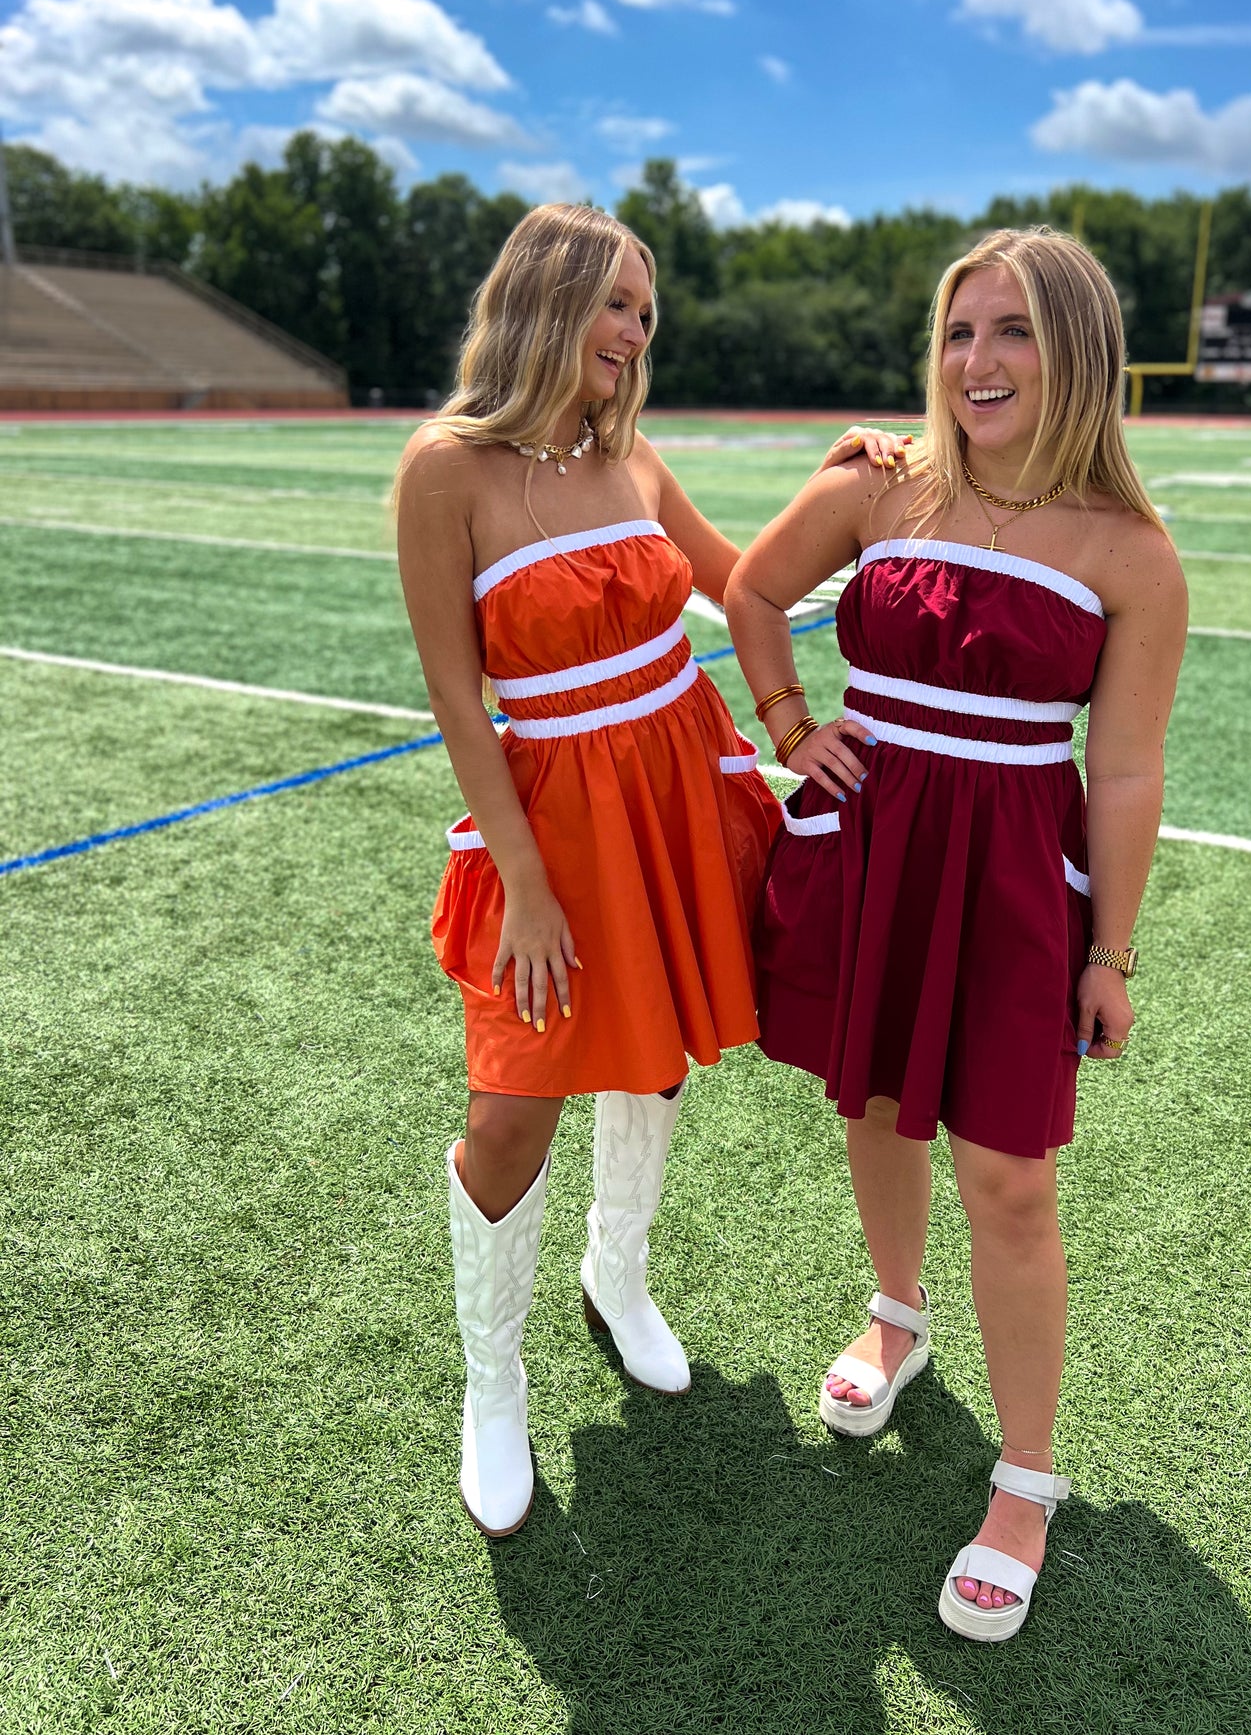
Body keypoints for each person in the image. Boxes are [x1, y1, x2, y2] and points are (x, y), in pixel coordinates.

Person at [394, 204, 884, 1540]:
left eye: (644, 311)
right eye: (615, 302)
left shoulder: (628, 453)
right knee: (513, 1102)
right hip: (553, 819)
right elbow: (454, 696)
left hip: (676, 786)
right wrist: (525, 881)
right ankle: (492, 1383)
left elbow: (748, 585)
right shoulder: (445, 467)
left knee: (654, 1055)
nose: (633, 331)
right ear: (545, 299)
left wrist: (846, 493)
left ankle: (618, 1279)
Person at [724, 227, 1187, 1641]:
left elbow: (1123, 771)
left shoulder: (1131, 552)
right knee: (872, 1099)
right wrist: (790, 722)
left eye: (1014, 331)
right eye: (959, 331)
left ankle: (1025, 1482)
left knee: (1010, 1178)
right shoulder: (881, 485)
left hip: (1009, 875)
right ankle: (896, 1315)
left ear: (1078, 352)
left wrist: (1110, 954)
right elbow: (750, 590)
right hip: (873, 842)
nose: (977, 361)